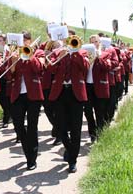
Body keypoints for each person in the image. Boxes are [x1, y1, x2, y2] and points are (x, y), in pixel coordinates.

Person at [48, 32, 89, 173]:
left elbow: (85, 67)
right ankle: (71, 150)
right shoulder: (57, 52)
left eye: (71, 39)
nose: (69, 41)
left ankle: (72, 161)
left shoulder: (82, 51)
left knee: (76, 129)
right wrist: (59, 57)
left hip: (76, 93)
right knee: (60, 127)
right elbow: (50, 69)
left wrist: (75, 53)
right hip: (60, 92)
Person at [8, 31, 45, 170]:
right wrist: (12, 62)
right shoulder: (13, 54)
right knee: (18, 126)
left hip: (34, 94)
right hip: (17, 94)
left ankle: (32, 158)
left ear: (30, 41)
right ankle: (28, 151)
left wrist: (29, 55)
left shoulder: (38, 53)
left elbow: (39, 69)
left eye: (25, 40)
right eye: (21, 40)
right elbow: (9, 75)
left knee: (32, 126)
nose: (23, 42)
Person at [0, 34, 11, 129]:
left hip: (7, 77)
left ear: (5, 41)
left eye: (0, 40)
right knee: (1, 99)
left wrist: (5, 60)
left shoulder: (8, 50)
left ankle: (6, 118)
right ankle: (8, 114)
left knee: (6, 99)